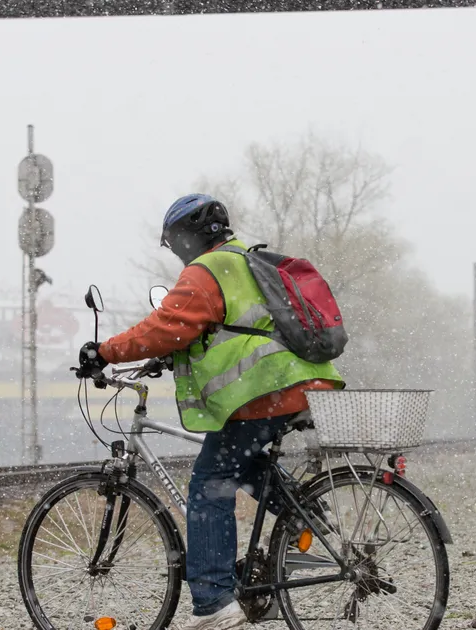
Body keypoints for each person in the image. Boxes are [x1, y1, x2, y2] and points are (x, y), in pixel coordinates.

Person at [79, 193, 344, 630]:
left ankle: (214, 604)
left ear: (186, 237)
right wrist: (169, 356)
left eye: (174, 242)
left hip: (265, 388)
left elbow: (165, 326)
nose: (177, 252)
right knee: (242, 464)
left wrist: (105, 351)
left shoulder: (208, 269)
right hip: (298, 383)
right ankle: (305, 518)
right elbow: (228, 327)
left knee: (209, 484)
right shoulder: (246, 258)